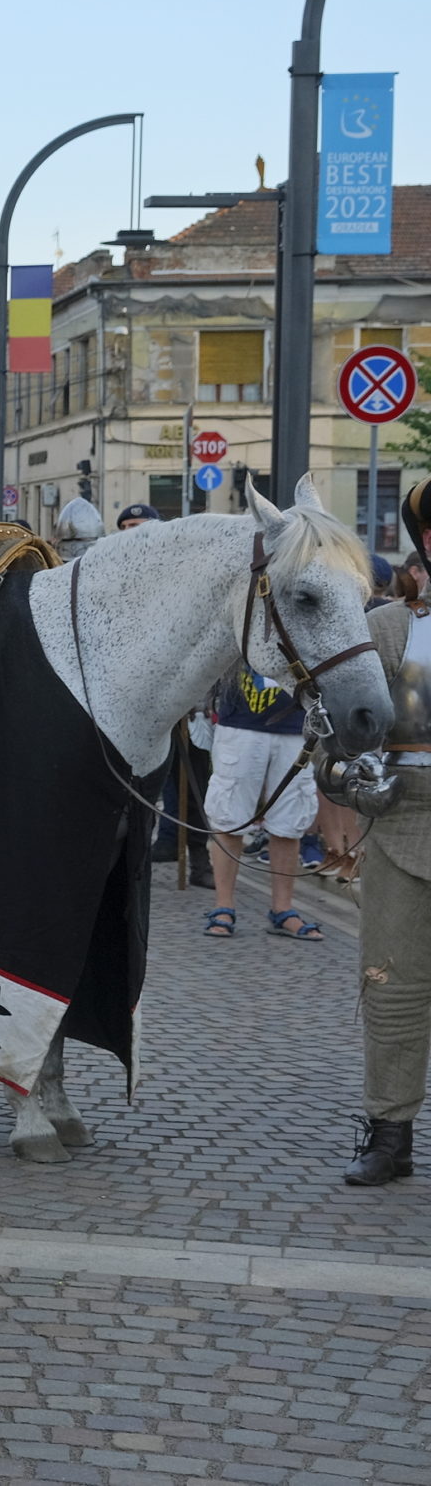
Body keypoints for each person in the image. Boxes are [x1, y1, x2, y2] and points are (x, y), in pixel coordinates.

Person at [344, 482, 431, 1186]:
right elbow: (334, 739)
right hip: (404, 822)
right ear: (427, 542)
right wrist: (351, 775)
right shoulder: (387, 630)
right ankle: (389, 1134)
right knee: (393, 987)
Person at [201, 664, 323, 940]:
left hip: (296, 724)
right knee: (230, 817)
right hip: (240, 723)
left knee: (290, 821)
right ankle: (223, 906)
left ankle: (283, 909)